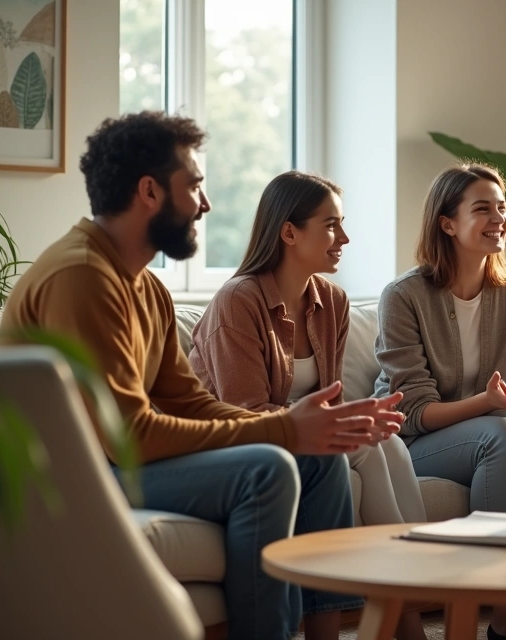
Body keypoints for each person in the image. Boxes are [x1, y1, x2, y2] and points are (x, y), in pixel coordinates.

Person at [0, 112, 405, 640]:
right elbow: (130, 437)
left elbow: (189, 401)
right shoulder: (83, 277)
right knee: (267, 469)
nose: (206, 205)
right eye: (193, 186)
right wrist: (281, 430)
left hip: (115, 463)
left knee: (320, 460)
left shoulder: (144, 287)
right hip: (75, 476)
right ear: (149, 191)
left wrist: (305, 430)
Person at [189, 170, 429, 640]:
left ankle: (409, 614)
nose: (345, 238)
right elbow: (243, 411)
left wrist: (355, 420)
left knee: (391, 447)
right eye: (331, 225)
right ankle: (410, 623)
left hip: (304, 436)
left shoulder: (331, 301)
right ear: (289, 232)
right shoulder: (239, 301)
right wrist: (337, 425)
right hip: (240, 443)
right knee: (364, 450)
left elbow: (330, 397)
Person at [374, 163, 506, 640]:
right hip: (414, 439)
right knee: (505, 434)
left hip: (491, 424)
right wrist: (492, 404)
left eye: (502, 208)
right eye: (482, 209)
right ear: (447, 223)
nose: (499, 218)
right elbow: (411, 412)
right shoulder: (404, 296)